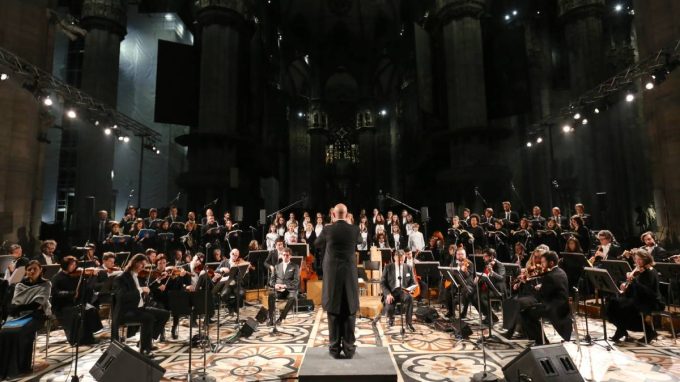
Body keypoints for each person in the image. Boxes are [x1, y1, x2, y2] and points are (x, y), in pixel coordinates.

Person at [315, 203, 361, 359]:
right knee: (349, 311)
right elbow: (360, 242)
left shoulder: (328, 229)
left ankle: (334, 349)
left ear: (333, 215)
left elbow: (317, 244)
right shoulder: (354, 229)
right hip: (349, 276)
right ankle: (349, 349)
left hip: (333, 277)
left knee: (334, 313)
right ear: (347, 215)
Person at [0, 261, 51, 379]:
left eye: (35, 269)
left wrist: (20, 307)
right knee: (4, 332)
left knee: (20, 332)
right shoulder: (19, 285)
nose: (32, 271)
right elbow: (16, 302)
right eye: (29, 269)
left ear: (40, 270)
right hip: (19, 315)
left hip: (37, 315)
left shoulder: (46, 284)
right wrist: (17, 308)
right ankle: (4, 368)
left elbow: (38, 303)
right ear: (26, 271)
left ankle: (21, 367)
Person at [112, 253, 170, 357]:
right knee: (149, 318)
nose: (143, 267)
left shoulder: (137, 276)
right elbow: (122, 297)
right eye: (142, 264)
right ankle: (144, 349)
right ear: (135, 262)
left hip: (139, 308)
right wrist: (140, 289)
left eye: (145, 265)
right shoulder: (121, 277)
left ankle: (146, 341)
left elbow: (147, 287)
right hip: (126, 311)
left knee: (165, 314)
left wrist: (147, 288)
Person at [608, 249, 664, 342]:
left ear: (646, 259)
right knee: (612, 303)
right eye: (636, 259)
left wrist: (633, 280)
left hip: (650, 301)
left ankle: (649, 331)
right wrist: (626, 285)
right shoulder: (639, 270)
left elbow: (647, 291)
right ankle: (621, 330)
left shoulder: (650, 271)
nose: (637, 261)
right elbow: (635, 288)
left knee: (624, 308)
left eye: (640, 259)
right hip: (638, 298)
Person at [519, 251, 572, 345]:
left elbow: (541, 296)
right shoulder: (561, 271)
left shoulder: (550, 276)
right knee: (529, 311)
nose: (541, 264)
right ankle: (540, 339)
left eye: (543, 262)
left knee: (525, 313)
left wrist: (533, 287)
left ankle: (540, 341)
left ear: (551, 263)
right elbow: (552, 288)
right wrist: (542, 286)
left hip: (554, 308)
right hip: (563, 306)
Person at [51, 256, 103, 345]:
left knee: (91, 310)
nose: (74, 266)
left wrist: (92, 277)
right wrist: (71, 293)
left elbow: (87, 288)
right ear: (65, 265)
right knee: (79, 313)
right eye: (71, 264)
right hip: (63, 305)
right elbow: (55, 293)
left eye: (75, 264)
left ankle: (89, 337)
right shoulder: (57, 277)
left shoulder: (77, 276)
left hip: (76, 303)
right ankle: (77, 339)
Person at [381, 250, 416, 331]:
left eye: (402, 260)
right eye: (398, 260)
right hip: (391, 292)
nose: (400, 262)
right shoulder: (388, 267)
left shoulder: (408, 268)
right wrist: (388, 294)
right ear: (394, 258)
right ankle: (391, 318)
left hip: (404, 291)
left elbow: (412, 282)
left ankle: (408, 323)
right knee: (389, 307)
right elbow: (382, 283)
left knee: (410, 298)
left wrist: (409, 290)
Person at [470, 248, 506, 325]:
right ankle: (490, 316)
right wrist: (478, 278)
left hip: (497, 289)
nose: (483, 258)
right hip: (489, 288)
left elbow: (502, 278)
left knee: (482, 296)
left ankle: (490, 317)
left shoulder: (499, 265)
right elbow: (485, 276)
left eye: (485, 256)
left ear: (491, 256)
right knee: (473, 296)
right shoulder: (488, 265)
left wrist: (492, 272)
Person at [267, 247, 299, 325]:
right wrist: (275, 285)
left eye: (287, 255)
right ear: (281, 255)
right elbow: (271, 281)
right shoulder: (277, 266)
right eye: (284, 255)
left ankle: (281, 318)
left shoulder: (295, 266)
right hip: (278, 290)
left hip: (289, 289)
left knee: (293, 298)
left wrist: (285, 286)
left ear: (290, 256)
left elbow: (296, 282)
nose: (285, 257)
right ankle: (271, 319)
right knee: (271, 295)